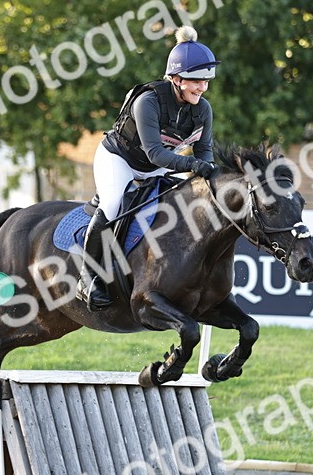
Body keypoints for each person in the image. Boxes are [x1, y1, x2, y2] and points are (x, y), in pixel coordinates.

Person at [77, 26, 221, 310]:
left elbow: (205, 153)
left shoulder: (202, 109)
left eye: (206, 82)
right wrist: (195, 165)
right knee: (113, 202)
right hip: (120, 160)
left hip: (158, 166)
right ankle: (87, 276)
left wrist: (210, 177)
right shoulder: (149, 101)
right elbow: (155, 153)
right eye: (196, 81)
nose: (202, 88)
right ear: (176, 79)